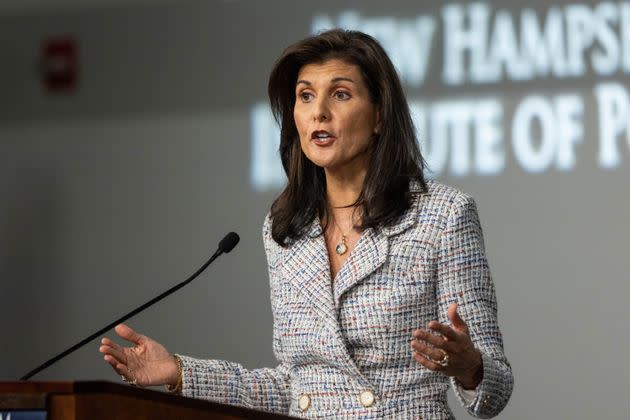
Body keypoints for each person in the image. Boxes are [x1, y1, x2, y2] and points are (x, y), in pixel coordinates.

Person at [100, 29, 513, 418]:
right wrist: (178, 372)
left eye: (340, 94)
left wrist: (469, 366)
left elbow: (496, 388)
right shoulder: (285, 231)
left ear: (379, 117)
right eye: (305, 96)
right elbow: (294, 389)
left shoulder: (443, 216)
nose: (319, 112)